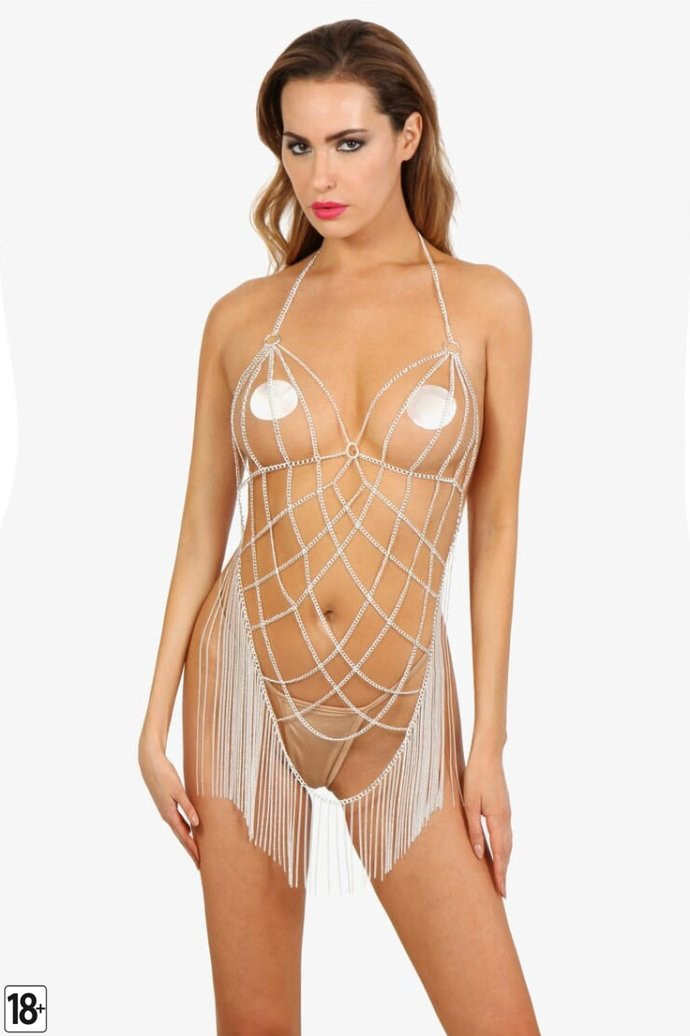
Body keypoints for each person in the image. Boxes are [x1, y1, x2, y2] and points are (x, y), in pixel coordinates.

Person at [138, 18, 539, 1035]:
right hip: (242, 686)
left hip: (399, 703)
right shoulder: (242, 318)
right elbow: (201, 531)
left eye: (349, 142)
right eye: (298, 144)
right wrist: (151, 720)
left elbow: (496, 529)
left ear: (408, 136)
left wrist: (488, 745)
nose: (320, 175)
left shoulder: (486, 307)